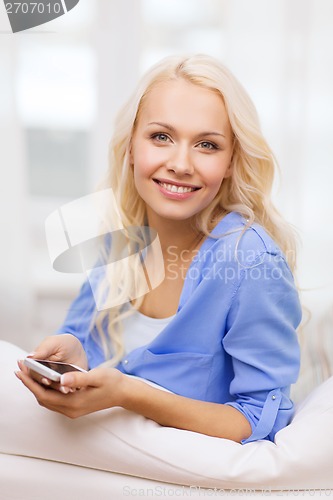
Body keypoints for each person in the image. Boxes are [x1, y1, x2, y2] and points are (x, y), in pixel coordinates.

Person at [15, 54, 301, 445]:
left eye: (207, 144)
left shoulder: (249, 261)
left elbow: (259, 419)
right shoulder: (122, 238)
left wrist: (131, 394)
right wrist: (71, 352)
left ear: (232, 160)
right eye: (161, 137)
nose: (180, 164)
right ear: (132, 145)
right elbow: (81, 338)